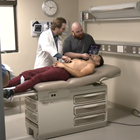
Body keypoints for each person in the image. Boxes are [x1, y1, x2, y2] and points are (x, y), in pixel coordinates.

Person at [3, 55, 104, 99]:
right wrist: (62, 62)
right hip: (57, 67)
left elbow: (79, 74)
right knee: (26, 74)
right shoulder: (83, 60)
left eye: (96, 56)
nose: (93, 55)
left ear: (97, 63)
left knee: (38, 77)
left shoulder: (91, 66)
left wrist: (63, 66)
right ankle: (4, 85)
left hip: (64, 73)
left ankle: (12, 91)